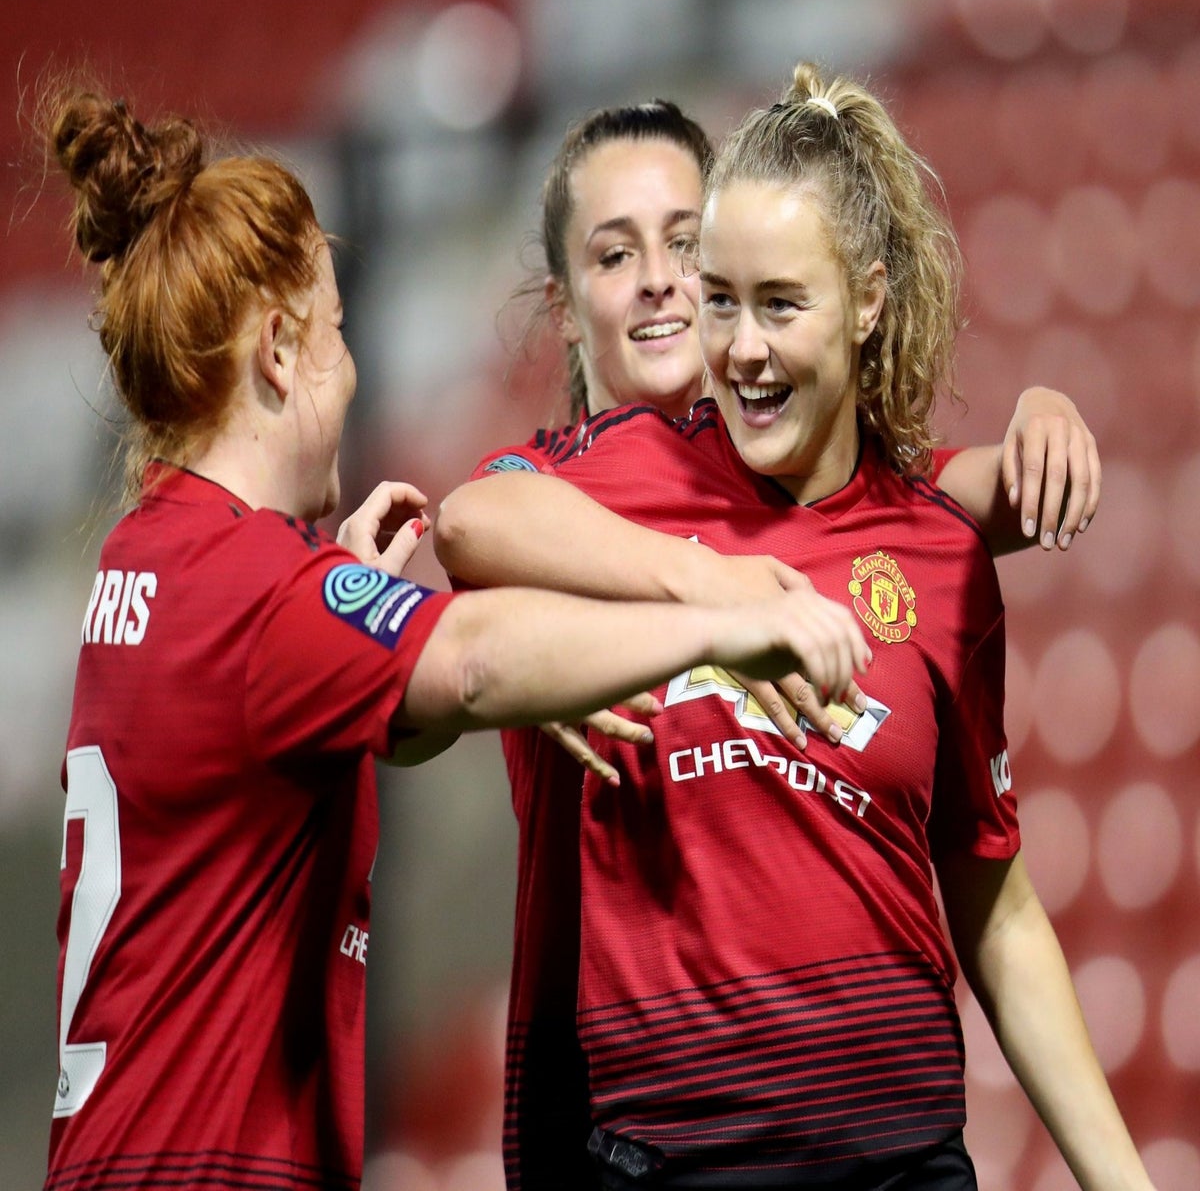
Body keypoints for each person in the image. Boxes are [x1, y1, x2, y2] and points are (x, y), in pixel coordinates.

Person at [40, 86, 876, 1191]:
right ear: (282, 352)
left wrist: (337, 603)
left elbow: (380, 714)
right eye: (339, 334)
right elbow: (475, 662)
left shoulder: (144, 559)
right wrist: (729, 617)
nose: (352, 373)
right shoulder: (258, 594)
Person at [436, 64, 1150, 1189]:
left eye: (777, 302)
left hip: (905, 1158)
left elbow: (995, 904)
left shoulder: (935, 547)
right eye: (722, 300)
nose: (736, 342)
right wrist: (719, 592)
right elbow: (471, 520)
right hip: (663, 1154)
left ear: (865, 299)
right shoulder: (626, 476)